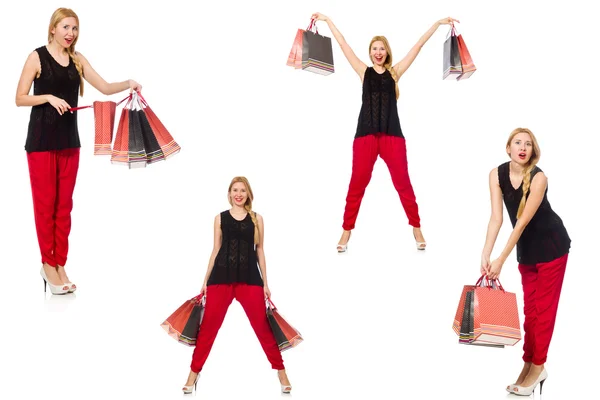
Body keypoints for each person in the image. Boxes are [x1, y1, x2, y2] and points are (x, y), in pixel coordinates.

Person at [15, 7, 142, 295]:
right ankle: (47, 265)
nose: (70, 33)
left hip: (70, 142)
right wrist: (47, 96)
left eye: (74, 28)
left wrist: (129, 83)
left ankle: (60, 264)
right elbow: (19, 98)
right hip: (40, 142)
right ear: (53, 29)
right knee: (45, 206)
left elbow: (106, 87)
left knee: (64, 207)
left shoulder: (77, 59)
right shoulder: (37, 57)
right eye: (65, 27)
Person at [310, 12, 458, 253]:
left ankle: (416, 226)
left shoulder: (395, 72)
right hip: (365, 137)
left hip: (392, 137)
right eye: (374, 49)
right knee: (356, 184)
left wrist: (437, 24)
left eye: (381, 49)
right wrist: (327, 21)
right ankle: (346, 231)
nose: (378, 52)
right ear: (370, 52)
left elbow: (418, 46)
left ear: (387, 52)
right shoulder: (363, 71)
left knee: (403, 183)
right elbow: (343, 44)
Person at [480, 128, 571, 396]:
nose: (523, 147)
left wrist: (500, 260)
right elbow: (497, 218)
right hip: (527, 254)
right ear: (508, 148)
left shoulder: (538, 177)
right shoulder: (496, 175)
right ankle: (528, 364)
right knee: (531, 315)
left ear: (533, 150)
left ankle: (538, 366)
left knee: (543, 314)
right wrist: (486, 254)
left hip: (552, 249)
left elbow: (521, 224)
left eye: (528, 144)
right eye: (517, 142)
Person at [182, 177, 292, 395]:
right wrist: (205, 280)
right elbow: (215, 250)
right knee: (208, 330)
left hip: (250, 279)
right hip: (220, 279)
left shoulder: (257, 219)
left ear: (248, 193)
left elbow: (260, 250)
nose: (238, 194)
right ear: (230, 193)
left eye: (242, 190)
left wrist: (266, 283)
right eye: (235, 190)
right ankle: (193, 375)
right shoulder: (219, 218)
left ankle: (281, 372)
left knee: (262, 328)